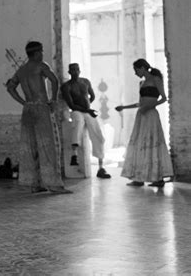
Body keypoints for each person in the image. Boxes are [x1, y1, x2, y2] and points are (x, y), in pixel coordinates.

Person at [6, 41, 72, 194]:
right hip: (42, 108)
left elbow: (10, 88)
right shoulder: (41, 65)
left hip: (28, 109)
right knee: (48, 147)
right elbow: (54, 80)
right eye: (41, 52)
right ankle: (54, 185)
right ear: (36, 53)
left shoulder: (21, 70)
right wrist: (53, 100)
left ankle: (35, 184)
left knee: (31, 147)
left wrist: (23, 102)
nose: (42, 54)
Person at [115, 58, 173, 188]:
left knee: (153, 143)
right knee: (140, 144)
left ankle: (158, 178)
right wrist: (124, 107)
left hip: (151, 115)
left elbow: (164, 98)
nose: (135, 73)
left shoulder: (156, 79)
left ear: (142, 68)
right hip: (141, 115)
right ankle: (139, 177)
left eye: (136, 70)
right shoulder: (141, 83)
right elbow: (140, 103)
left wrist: (152, 106)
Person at [61, 63, 111, 179]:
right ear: (69, 72)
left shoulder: (85, 82)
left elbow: (92, 96)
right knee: (78, 123)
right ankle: (74, 155)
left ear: (79, 70)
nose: (75, 71)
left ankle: (101, 167)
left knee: (98, 134)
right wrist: (86, 110)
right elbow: (72, 105)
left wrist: (88, 109)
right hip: (77, 111)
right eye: (72, 70)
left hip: (87, 110)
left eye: (77, 69)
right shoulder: (66, 86)